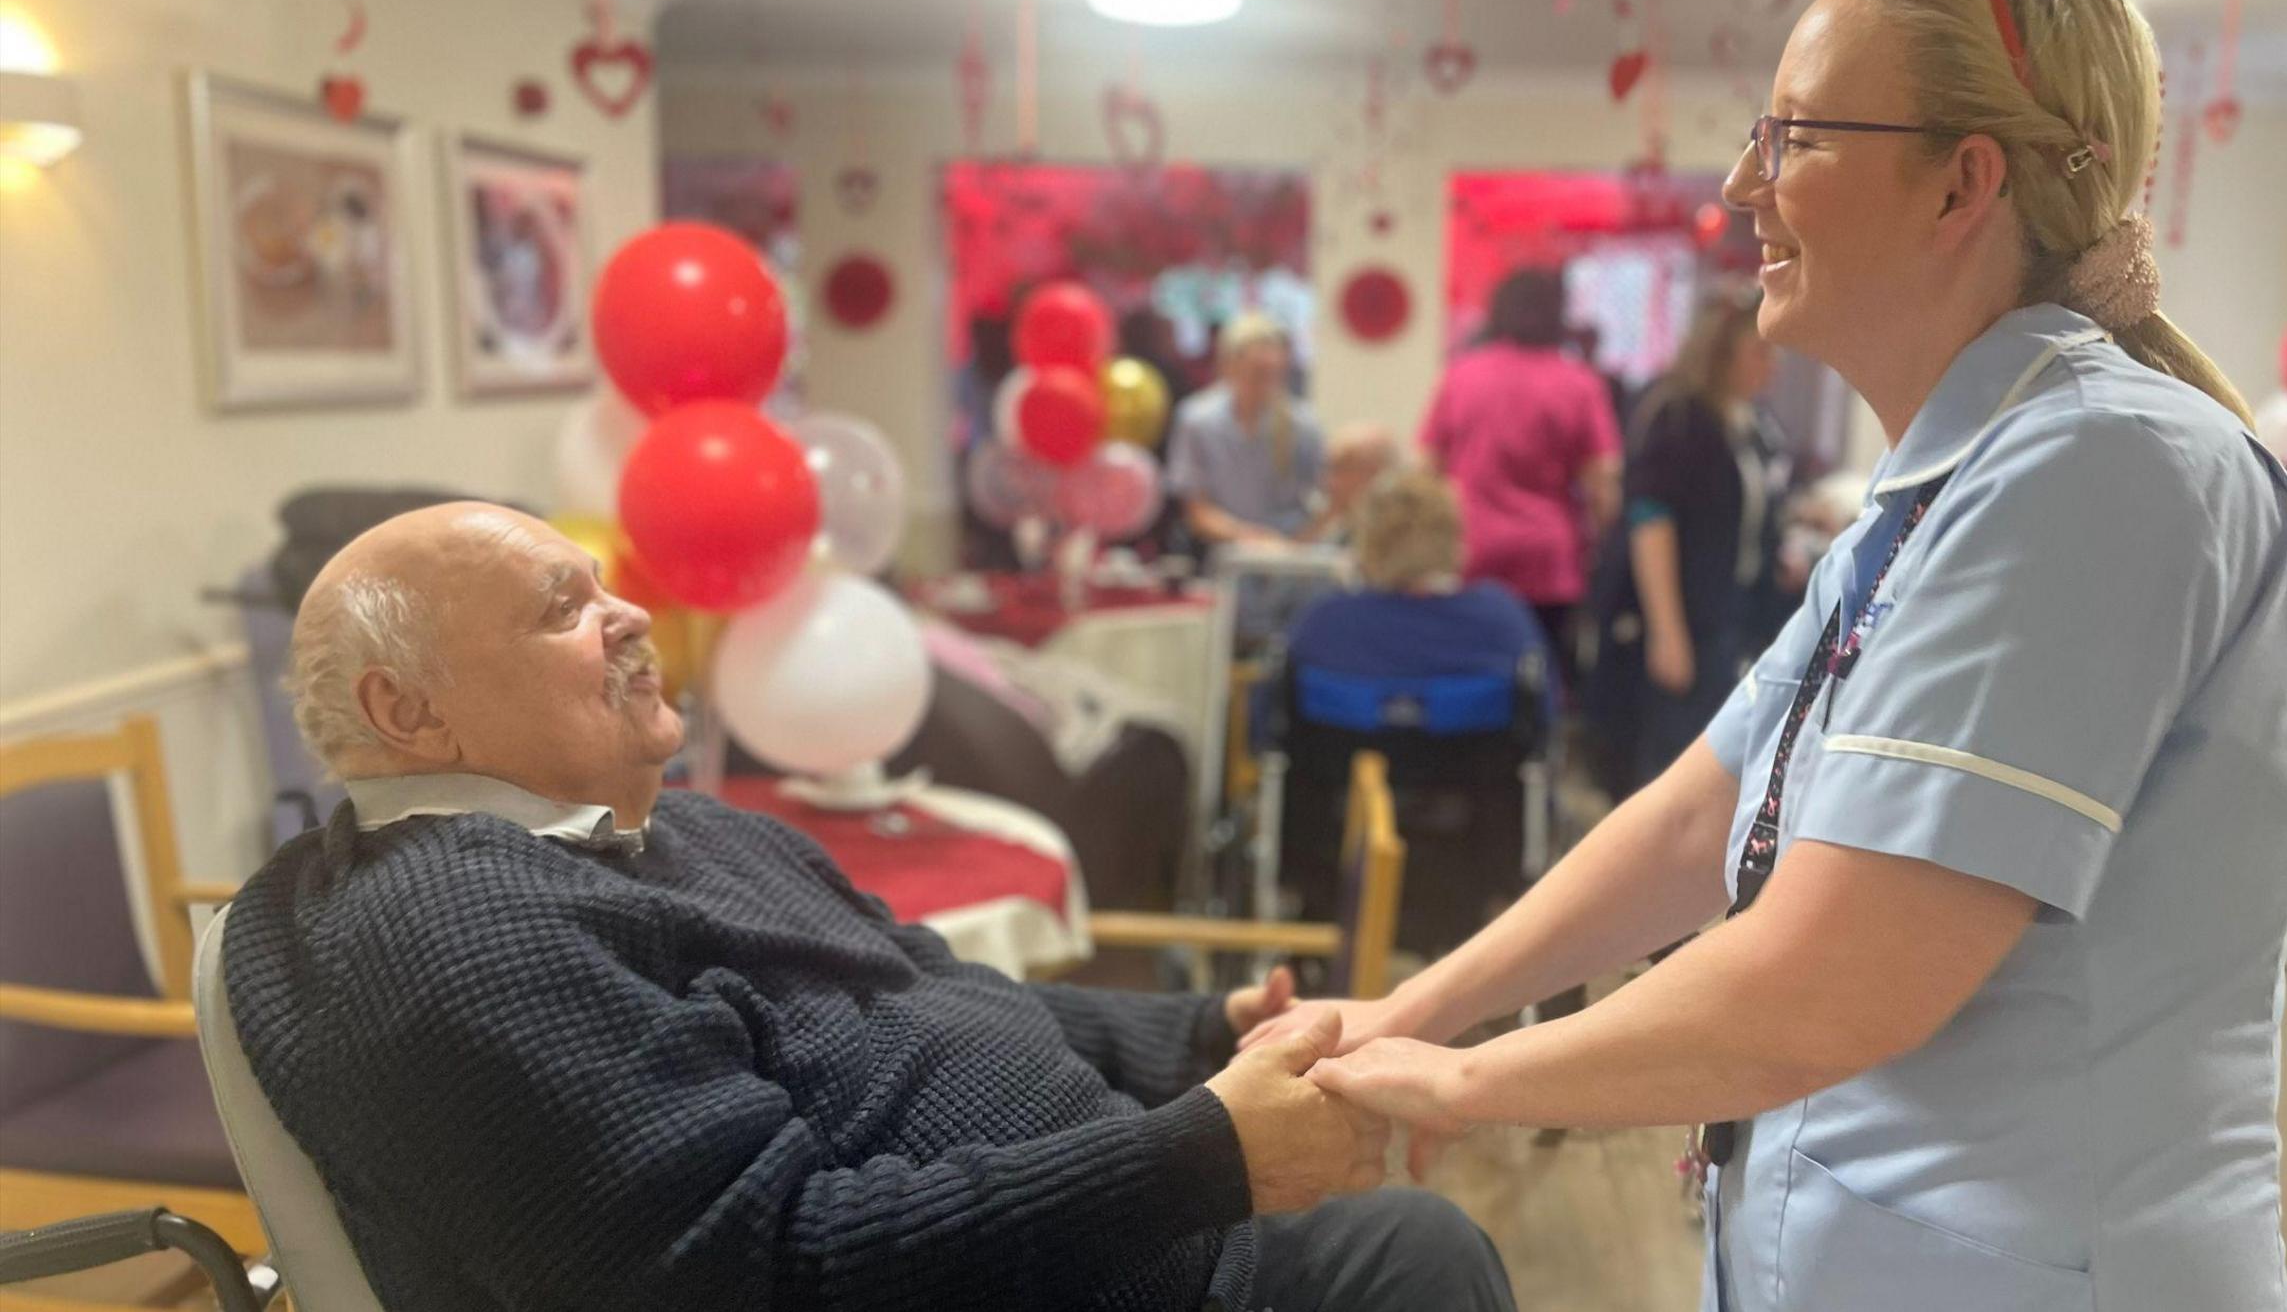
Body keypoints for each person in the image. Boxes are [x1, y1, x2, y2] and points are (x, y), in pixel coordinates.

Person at [1251, 0, 2287, 1312]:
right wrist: (1408, 1008)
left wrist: (1461, 1080)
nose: (1740, 181)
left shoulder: (2098, 466)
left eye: (1797, 134)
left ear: (1962, 182)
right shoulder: (1943, 483)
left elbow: (1830, 979)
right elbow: (1703, 816)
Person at [226, 501, 1515, 1312]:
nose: (628, 614)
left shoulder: (668, 825)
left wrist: (1202, 1033)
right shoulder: (451, 931)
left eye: (604, 582)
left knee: (1412, 1247)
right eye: (562, 608)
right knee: (1415, 1258)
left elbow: (936, 985)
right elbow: (762, 1269)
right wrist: (1205, 1152)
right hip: (1099, 1253)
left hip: (1127, 1248)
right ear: (407, 711)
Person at [1264, 469, 1555, 951]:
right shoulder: (1503, 622)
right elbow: (1540, 734)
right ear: (1453, 537)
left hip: (1334, 866)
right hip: (1474, 867)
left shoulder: (1323, 624)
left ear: (1368, 539)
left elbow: (1269, 734)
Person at [1584, 289, 1791, 803]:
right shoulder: (1678, 416)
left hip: (1733, 608)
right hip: (1685, 615)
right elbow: (1651, 520)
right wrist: (1666, 629)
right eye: (1759, 353)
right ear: (1720, 354)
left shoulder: (1753, 423)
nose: (1772, 367)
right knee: (1669, 762)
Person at [1421, 267, 1623, 681]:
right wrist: (1608, 549)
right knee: (1539, 683)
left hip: (1470, 551)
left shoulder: (1462, 375)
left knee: (1467, 678)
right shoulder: (1579, 384)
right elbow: (1602, 484)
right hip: (1548, 562)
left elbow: (1427, 469)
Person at [1164, 312, 1325, 553]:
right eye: (1256, 373)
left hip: (1288, 555)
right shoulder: (1198, 419)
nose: (1264, 384)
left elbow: (1319, 498)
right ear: (1229, 366)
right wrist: (1248, 538)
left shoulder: (1303, 424)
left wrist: (1291, 546)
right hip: (1218, 552)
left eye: (1272, 374)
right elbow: (1195, 509)